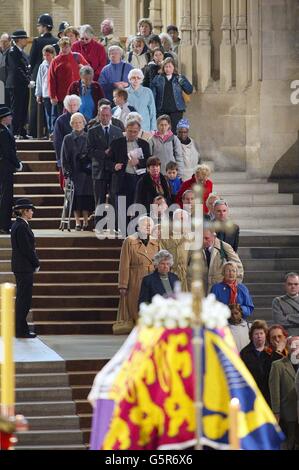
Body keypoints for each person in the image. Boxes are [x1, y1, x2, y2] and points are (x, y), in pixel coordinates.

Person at [109, 119, 151, 230]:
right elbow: (107, 161)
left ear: (139, 131)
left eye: (135, 132)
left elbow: (149, 162)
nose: (132, 134)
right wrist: (114, 166)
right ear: (126, 130)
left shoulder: (144, 144)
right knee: (122, 207)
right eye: (130, 131)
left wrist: (139, 162)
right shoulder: (116, 143)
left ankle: (136, 229)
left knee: (137, 205)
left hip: (138, 179)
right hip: (122, 179)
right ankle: (123, 231)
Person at [87, 105, 123, 227]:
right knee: (99, 199)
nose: (105, 117)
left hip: (113, 170)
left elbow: (120, 150)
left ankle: (113, 224)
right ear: (99, 115)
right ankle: (99, 224)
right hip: (99, 170)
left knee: (114, 198)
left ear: (111, 116)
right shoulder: (92, 131)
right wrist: (103, 153)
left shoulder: (117, 131)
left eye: (107, 115)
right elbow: (89, 151)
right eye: (103, 115)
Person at [118, 216, 159, 323]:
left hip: (151, 277)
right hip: (135, 277)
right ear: (138, 227)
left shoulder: (156, 242)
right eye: (145, 225)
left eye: (150, 225)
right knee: (135, 304)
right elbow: (124, 264)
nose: (148, 227)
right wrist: (123, 284)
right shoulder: (129, 241)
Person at [11, 198, 40, 338]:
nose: (32, 212)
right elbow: (27, 249)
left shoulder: (19, 225)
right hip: (24, 267)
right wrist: (36, 262)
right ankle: (21, 330)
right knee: (24, 300)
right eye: (30, 210)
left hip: (21, 267)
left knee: (22, 299)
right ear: (24, 212)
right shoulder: (21, 226)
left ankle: (21, 329)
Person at [61, 112, 94, 230]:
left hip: (87, 172)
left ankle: (86, 221)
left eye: (80, 122)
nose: (77, 125)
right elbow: (64, 157)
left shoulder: (89, 136)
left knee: (86, 197)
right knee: (75, 198)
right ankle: (77, 222)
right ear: (71, 124)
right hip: (74, 172)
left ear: (84, 123)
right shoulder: (67, 138)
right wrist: (67, 172)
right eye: (75, 123)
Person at [211, 261, 253, 351]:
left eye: (233, 271)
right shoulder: (216, 288)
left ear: (237, 273)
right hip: (223, 325)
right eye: (228, 271)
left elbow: (249, 308)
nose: (231, 273)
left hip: (239, 326)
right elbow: (211, 309)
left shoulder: (243, 288)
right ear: (223, 273)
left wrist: (240, 309)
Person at [29, 13, 58, 137]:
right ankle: (51, 131)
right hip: (54, 80)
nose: (38, 28)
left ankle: (35, 132)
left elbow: (31, 61)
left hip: (39, 76)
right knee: (53, 109)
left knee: (37, 107)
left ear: (45, 27)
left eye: (39, 25)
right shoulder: (56, 41)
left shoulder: (37, 41)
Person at [269, 336, 299, 450]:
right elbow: (274, 392)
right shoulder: (277, 365)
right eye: (293, 345)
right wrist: (276, 412)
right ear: (287, 347)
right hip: (288, 413)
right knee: (289, 442)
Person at [151, 57, 193, 133]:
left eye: (170, 66)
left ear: (174, 67)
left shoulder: (179, 78)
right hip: (161, 110)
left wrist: (182, 82)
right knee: (162, 132)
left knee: (174, 133)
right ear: (163, 68)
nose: (168, 69)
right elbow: (153, 95)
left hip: (176, 110)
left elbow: (189, 90)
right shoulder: (157, 78)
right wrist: (153, 109)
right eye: (166, 66)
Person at [48, 36, 88, 115]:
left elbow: (89, 71)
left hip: (77, 94)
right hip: (62, 96)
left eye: (66, 47)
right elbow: (51, 79)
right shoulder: (55, 61)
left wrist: (83, 68)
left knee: (78, 116)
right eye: (62, 47)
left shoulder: (77, 57)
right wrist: (52, 96)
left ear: (70, 46)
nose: (64, 49)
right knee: (63, 117)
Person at [197, 228, 244, 294]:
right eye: (201, 238)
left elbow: (239, 268)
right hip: (201, 291)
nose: (203, 241)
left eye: (206, 238)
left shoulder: (224, 247)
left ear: (214, 237)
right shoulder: (196, 248)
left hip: (220, 291)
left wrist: (233, 288)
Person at [6, 30, 33, 139]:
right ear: (19, 40)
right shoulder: (13, 52)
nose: (26, 40)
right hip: (16, 85)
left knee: (23, 108)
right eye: (24, 38)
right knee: (16, 109)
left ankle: (22, 131)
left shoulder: (22, 52)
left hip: (23, 85)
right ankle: (15, 131)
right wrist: (28, 80)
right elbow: (16, 69)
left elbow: (26, 68)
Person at [0, 107, 22, 234]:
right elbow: (8, 151)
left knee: (5, 195)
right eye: (9, 116)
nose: (11, 118)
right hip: (5, 167)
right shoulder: (3, 132)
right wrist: (17, 163)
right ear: (3, 118)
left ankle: (4, 223)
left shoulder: (4, 130)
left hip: (5, 166)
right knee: (6, 196)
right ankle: (4, 224)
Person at [240, 320, 272, 404]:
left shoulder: (272, 351)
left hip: (269, 393)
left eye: (261, 333)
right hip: (251, 392)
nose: (259, 336)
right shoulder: (244, 353)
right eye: (256, 334)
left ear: (265, 335)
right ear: (251, 336)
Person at [160, 209, 193, 291]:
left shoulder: (193, 238)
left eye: (183, 219)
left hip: (188, 278)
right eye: (177, 219)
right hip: (170, 276)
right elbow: (162, 258)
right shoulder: (165, 238)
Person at [53, 94, 81, 188]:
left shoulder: (83, 118)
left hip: (81, 159)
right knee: (67, 186)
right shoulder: (60, 120)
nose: (73, 107)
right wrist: (60, 160)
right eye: (70, 105)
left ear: (78, 105)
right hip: (66, 157)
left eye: (75, 105)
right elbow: (58, 142)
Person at [35, 45, 57, 136]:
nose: (46, 57)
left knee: (55, 114)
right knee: (48, 114)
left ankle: (55, 132)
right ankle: (50, 132)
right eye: (44, 55)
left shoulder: (56, 63)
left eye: (48, 55)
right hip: (46, 93)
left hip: (55, 94)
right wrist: (38, 94)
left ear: (53, 54)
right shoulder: (42, 65)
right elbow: (39, 80)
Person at [0, 33, 11, 106]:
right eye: (1, 41)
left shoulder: (11, 53)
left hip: (7, 86)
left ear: (10, 42)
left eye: (5, 41)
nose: (3, 43)